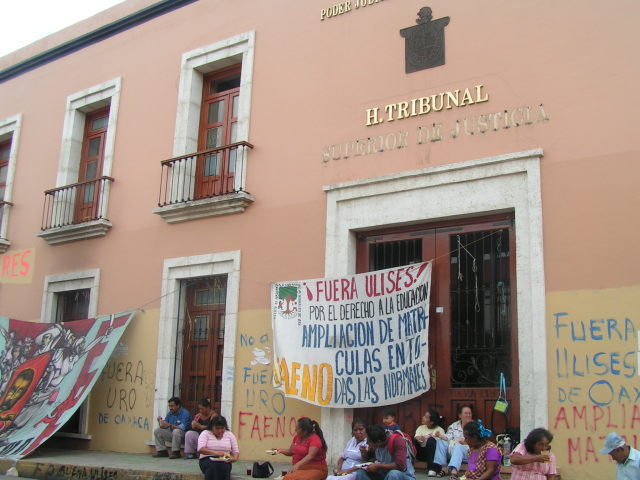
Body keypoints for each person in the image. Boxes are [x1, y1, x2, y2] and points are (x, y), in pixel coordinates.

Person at [433, 405, 474, 475]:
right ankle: (444, 468)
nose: (468, 415)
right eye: (466, 413)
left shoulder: (475, 426)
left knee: (458, 446)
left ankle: (454, 471)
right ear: (460, 415)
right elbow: (448, 437)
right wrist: (440, 436)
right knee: (441, 442)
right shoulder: (454, 426)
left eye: (469, 413)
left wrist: (467, 443)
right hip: (452, 450)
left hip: (468, 453)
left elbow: (480, 442)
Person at [197, 415, 239, 480]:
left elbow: (235, 451)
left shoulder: (229, 434)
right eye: (217, 428)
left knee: (225, 467)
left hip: (225, 457)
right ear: (212, 427)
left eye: (222, 428)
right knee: (213, 466)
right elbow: (200, 449)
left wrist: (234, 458)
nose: (220, 431)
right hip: (207, 458)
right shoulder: (205, 433)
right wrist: (216, 453)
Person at [414, 409, 446, 477]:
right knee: (413, 440)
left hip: (433, 456)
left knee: (431, 440)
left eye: (425, 417)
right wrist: (419, 438)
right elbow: (416, 437)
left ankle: (432, 469)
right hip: (421, 454)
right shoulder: (421, 427)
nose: (423, 417)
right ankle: (410, 464)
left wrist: (436, 437)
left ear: (431, 422)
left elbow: (441, 445)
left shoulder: (440, 430)